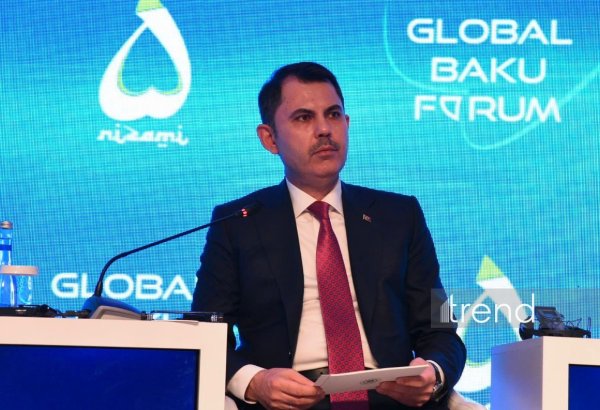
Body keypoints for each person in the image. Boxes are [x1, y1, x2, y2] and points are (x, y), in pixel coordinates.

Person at [192, 62, 466, 410]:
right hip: (285, 402)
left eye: (333, 115)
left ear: (347, 124)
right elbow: (204, 336)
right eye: (303, 118)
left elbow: (440, 327)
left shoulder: (400, 216)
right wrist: (256, 382)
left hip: (388, 398)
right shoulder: (237, 223)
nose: (324, 130)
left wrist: (433, 373)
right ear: (269, 138)